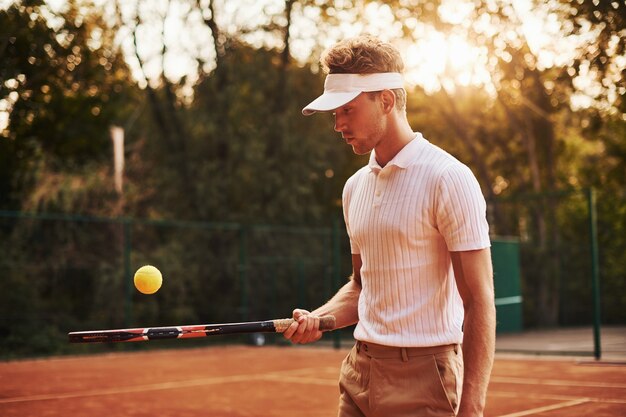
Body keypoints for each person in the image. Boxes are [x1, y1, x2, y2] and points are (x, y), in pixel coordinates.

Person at [283, 35, 496, 417]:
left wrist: (472, 408)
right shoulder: (354, 187)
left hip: (425, 379)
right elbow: (361, 285)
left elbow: (479, 300)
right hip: (359, 372)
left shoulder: (448, 178)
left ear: (386, 100)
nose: (338, 125)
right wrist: (319, 318)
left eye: (347, 110)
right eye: (335, 114)